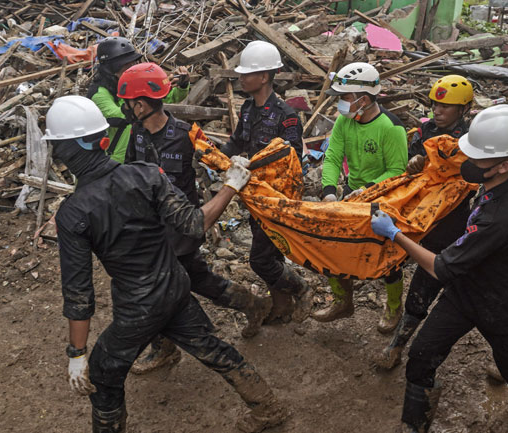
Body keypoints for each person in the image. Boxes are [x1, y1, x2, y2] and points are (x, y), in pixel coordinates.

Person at [47, 95, 287, 433]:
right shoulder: (145, 175)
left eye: (56, 147)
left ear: (66, 150)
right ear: (101, 140)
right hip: (174, 285)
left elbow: (79, 295)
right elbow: (193, 223)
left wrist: (76, 353)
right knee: (208, 346)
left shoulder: (74, 214)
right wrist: (230, 185)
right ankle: (268, 408)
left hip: (137, 306)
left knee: (102, 373)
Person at [371, 105, 508, 432]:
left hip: (503, 301)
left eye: (478, 159)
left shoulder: (500, 219)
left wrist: (395, 234)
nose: (470, 163)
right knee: (421, 356)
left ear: (504, 164)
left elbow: (441, 268)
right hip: (466, 292)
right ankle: (415, 424)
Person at [116, 62, 272, 374]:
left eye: (127, 103)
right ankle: (253, 304)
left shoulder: (188, 135)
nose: (125, 109)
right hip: (152, 228)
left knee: (160, 290)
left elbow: (220, 162)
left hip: (182, 228)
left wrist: (238, 174)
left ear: (141, 104)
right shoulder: (136, 134)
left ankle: (167, 348)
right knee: (200, 280)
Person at [375, 75, 476, 369]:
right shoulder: (426, 129)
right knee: (414, 278)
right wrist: (415, 163)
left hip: (451, 222)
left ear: (464, 109)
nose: (438, 110)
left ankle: (404, 344)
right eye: (435, 103)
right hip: (422, 216)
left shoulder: (471, 140)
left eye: (446, 106)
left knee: (440, 286)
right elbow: (414, 164)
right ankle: (398, 339)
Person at [220, 41, 313, 324]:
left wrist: (254, 164)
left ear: (264, 76)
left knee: (260, 259)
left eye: (248, 74)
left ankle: (301, 287)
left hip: (277, 199)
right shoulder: (247, 109)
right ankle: (281, 305)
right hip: (254, 195)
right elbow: (236, 141)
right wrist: (214, 159)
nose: (241, 78)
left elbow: (292, 158)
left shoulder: (286, 116)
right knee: (268, 252)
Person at [315, 62, 408, 333]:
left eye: (344, 98)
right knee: (331, 247)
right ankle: (342, 300)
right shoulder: (346, 121)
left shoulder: (391, 128)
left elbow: (396, 171)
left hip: (382, 198)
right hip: (352, 195)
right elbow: (332, 156)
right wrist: (329, 191)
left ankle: (393, 305)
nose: (340, 104)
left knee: (387, 257)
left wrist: (368, 189)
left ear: (363, 99)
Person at [87, 37, 190, 164]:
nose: (132, 68)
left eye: (133, 63)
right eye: (127, 65)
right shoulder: (99, 94)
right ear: (112, 69)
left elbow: (168, 97)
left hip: (141, 153)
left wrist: (181, 85)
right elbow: (118, 116)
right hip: (116, 161)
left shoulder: (131, 82)